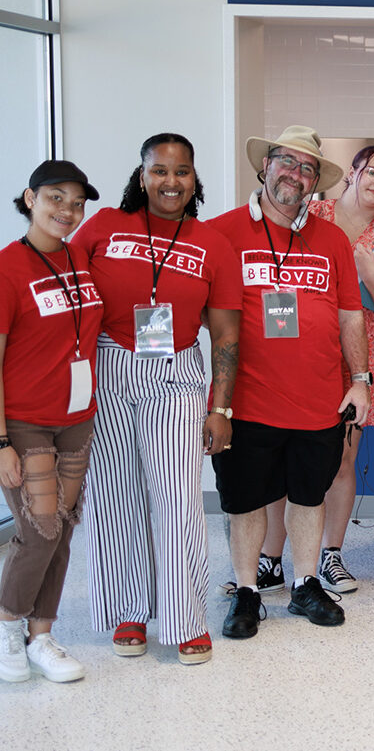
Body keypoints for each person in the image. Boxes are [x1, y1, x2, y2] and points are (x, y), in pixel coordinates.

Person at [74, 134, 241, 666]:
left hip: (174, 372)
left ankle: (185, 616)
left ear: (195, 179)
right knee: (116, 495)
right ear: (141, 175)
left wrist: (220, 407)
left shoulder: (212, 243)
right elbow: (67, 295)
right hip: (109, 367)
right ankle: (128, 609)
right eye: (160, 171)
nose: (171, 182)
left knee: (175, 495)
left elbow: (226, 333)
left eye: (182, 171)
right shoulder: (102, 227)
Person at [209, 125, 371, 637]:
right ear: (265, 167)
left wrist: (361, 379)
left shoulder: (332, 241)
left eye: (307, 169)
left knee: (309, 497)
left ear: (314, 182)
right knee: (245, 502)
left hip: (318, 401)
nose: (295, 175)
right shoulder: (223, 233)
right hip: (247, 403)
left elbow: (350, 316)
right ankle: (247, 592)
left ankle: (304, 586)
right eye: (286, 162)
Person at [256, 145, 374, 594]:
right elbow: (277, 271)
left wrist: (367, 271)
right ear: (353, 172)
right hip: (298, 354)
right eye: (373, 173)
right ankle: (272, 558)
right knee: (282, 456)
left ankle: (331, 555)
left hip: (357, 360)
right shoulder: (312, 214)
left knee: (340, 460)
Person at [0, 161, 102, 683]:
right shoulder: (7, 268)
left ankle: (42, 635)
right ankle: (6, 625)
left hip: (77, 420)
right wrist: (0, 441)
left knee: (61, 532)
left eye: (76, 202)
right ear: (29, 198)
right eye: (55, 198)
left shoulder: (79, 258)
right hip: (25, 422)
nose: (67, 210)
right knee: (38, 530)